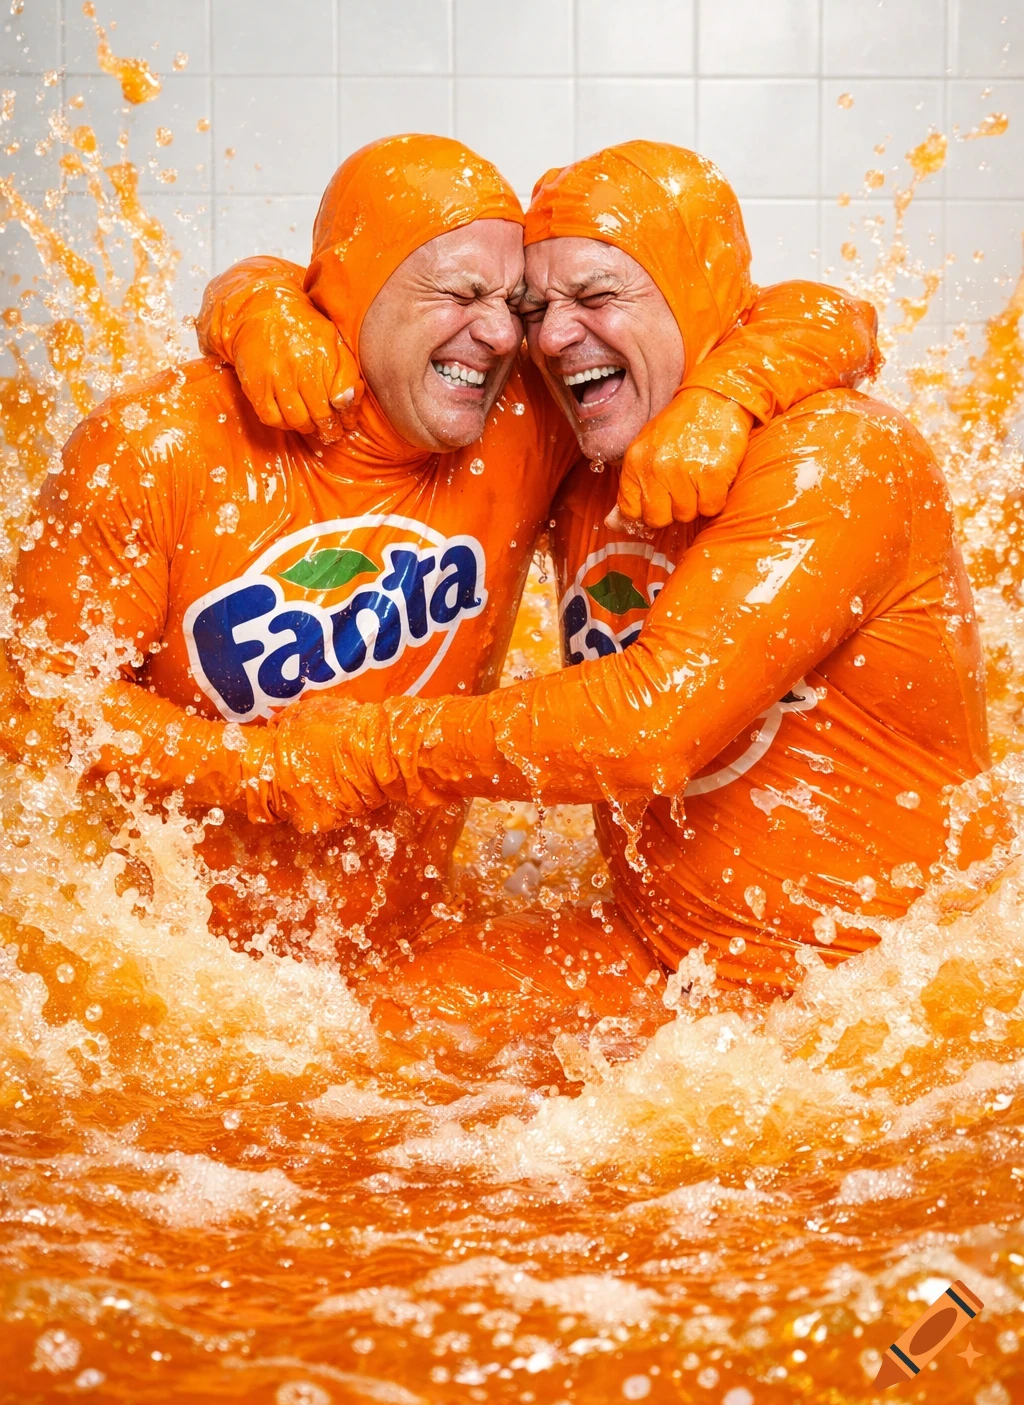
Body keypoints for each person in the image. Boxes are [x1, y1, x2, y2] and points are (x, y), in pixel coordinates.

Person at [13, 135, 878, 978]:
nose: (507, 337)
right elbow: (34, 705)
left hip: (400, 948)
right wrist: (255, 773)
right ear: (350, 298)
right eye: (463, 293)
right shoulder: (160, 444)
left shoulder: (528, 424)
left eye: (516, 304)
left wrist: (727, 395)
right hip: (158, 960)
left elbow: (805, 313)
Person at [245, 142, 990, 1009]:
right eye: (538, 306)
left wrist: (369, 750)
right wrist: (255, 304)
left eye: (598, 297)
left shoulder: (841, 457)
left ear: (701, 302)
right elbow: (375, 321)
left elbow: (653, 730)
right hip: (661, 953)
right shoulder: (586, 441)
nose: (554, 337)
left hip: (876, 999)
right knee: (364, 1021)